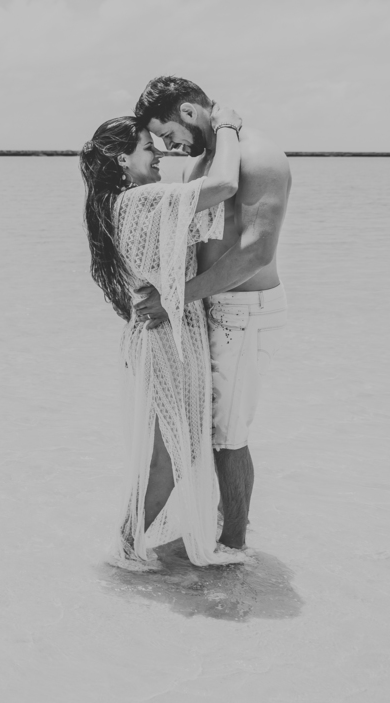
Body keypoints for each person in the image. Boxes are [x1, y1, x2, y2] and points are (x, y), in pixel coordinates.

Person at [80, 105, 247, 571]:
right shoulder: (139, 200)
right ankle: (126, 549)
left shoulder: (123, 204)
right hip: (165, 339)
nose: (158, 155)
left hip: (159, 336)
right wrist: (228, 128)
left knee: (173, 453)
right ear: (120, 159)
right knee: (171, 456)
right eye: (148, 147)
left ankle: (131, 544)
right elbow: (225, 186)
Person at [131, 77, 292, 554]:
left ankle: (234, 549)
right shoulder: (209, 156)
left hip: (245, 310)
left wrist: (175, 299)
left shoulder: (258, 155)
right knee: (199, 429)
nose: (168, 147)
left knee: (228, 438)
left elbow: (256, 253)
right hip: (208, 305)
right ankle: (213, 533)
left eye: (166, 134)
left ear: (187, 111)